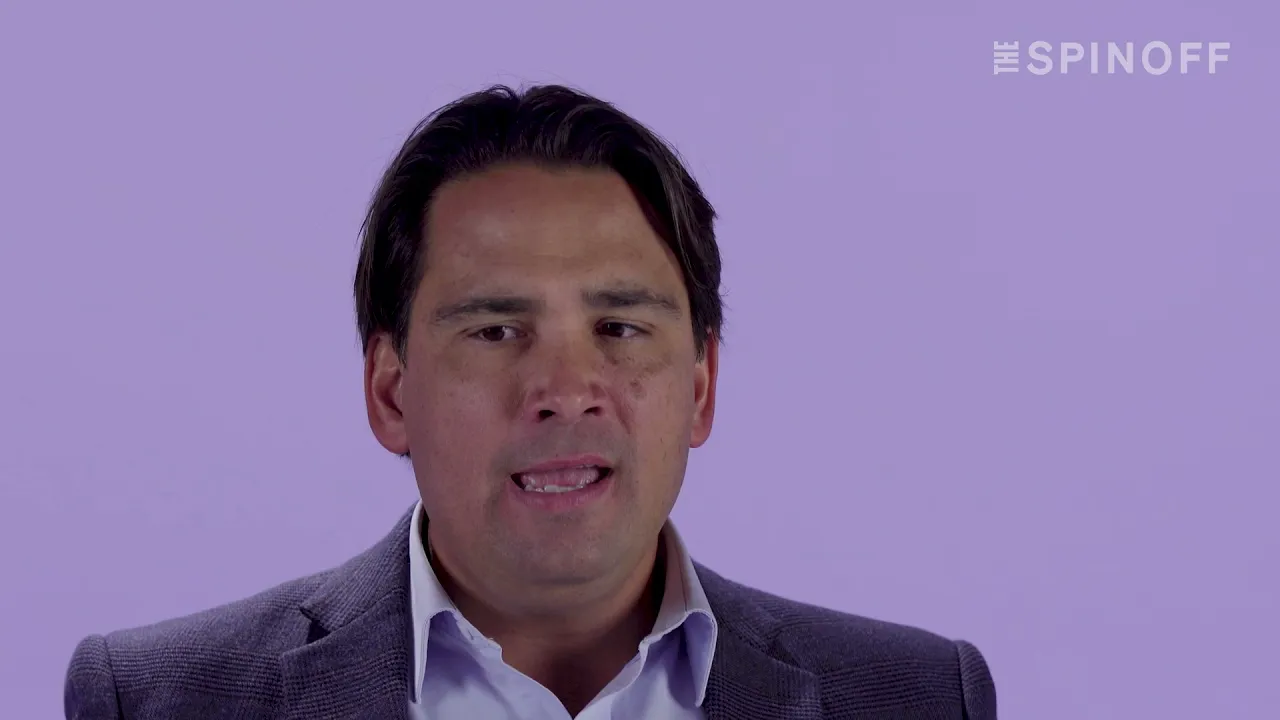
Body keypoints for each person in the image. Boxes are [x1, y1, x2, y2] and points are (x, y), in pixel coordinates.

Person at [64, 84, 997, 720]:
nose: (564, 392)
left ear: (702, 387)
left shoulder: (917, 698)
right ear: (390, 391)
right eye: (495, 330)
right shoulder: (157, 700)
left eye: (620, 328)